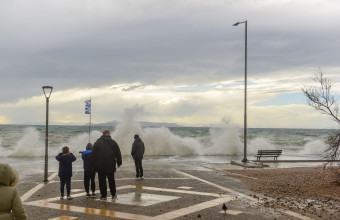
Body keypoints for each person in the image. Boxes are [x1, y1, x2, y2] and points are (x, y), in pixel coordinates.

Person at [91, 129, 122, 200]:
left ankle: (104, 196)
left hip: (100, 165)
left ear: (103, 133)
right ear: (108, 133)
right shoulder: (113, 142)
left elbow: (93, 154)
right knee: (111, 180)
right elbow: (118, 153)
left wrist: (92, 164)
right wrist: (119, 162)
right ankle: (113, 194)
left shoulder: (98, 142)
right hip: (110, 165)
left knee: (102, 181)